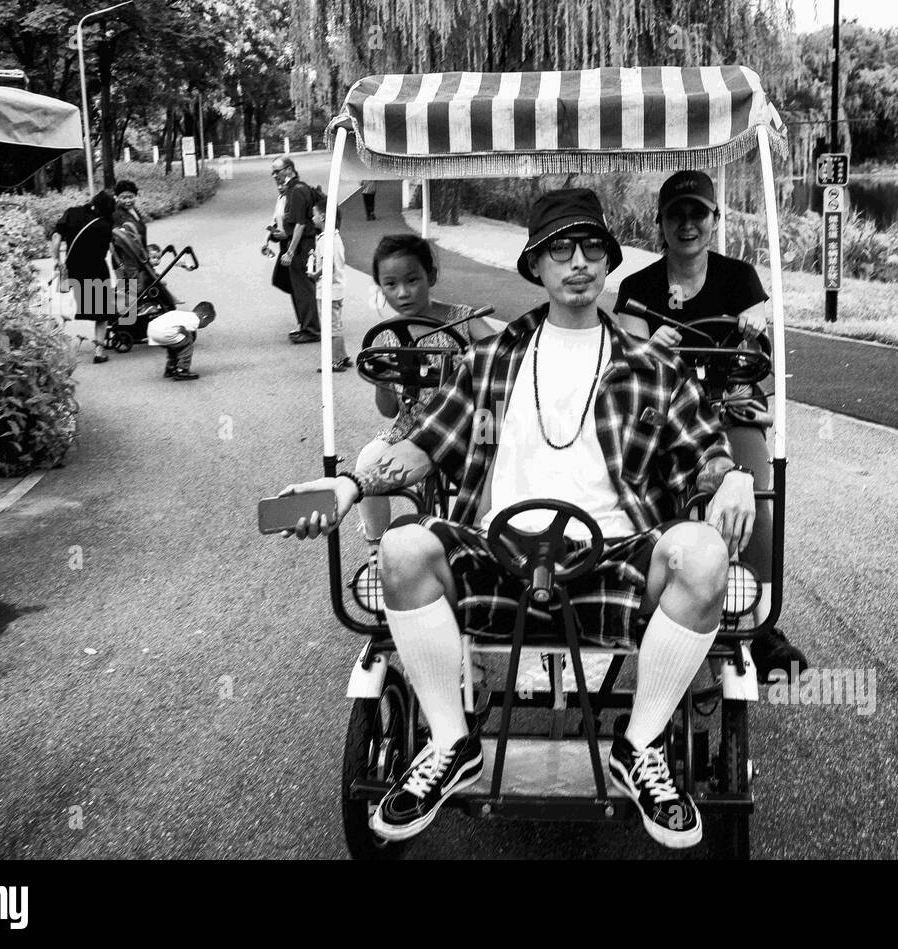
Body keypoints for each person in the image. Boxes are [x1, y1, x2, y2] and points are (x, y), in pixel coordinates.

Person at [281, 189, 755, 849]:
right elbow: (424, 443)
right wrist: (352, 484)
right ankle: (452, 741)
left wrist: (733, 476)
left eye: (593, 247)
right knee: (400, 547)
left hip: (613, 557)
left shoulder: (653, 364)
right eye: (561, 248)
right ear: (536, 263)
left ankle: (639, 742)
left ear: (610, 261)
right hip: (494, 556)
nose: (579, 262)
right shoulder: (492, 356)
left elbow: (704, 449)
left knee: (706, 553)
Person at [615, 169, 806, 682]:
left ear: (714, 218)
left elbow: (758, 342)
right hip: (671, 413)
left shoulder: (739, 278)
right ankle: (649, 598)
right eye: (676, 214)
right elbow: (631, 361)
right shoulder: (637, 288)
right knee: (644, 483)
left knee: (757, 488)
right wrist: (651, 350)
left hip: (731, 404)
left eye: (697, 213)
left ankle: (760, 623)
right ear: (660, 222)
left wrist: (752, 331)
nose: (687, 223)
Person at [353, 235, 484, 561]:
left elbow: (505, 356)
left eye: (412, 280)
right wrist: (383, 381)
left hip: (464, 429)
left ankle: (478, 548)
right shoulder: (385, 336)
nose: (403, 292)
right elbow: (387, 411)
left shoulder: (463, 318)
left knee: (496, 470)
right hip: (409, 430)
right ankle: (376, 549)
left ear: (431, 277)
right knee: (366, 462)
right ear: (380, 288)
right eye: (391, 284)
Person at [51, 191, 117, 364]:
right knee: (101, 313)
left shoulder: (72, 212)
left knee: (66, 307)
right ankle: (99, 351)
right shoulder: (106, 222)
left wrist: (57, 260)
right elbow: (110, 247)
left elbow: (57, 238)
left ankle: (61, 349)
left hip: (72, 267)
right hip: (96, 268)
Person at [270, 158, 321, 344]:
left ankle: (312, 330)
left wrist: (290, 252)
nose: (275, 176)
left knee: (303, 287)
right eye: (273, 173)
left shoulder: (298, 190)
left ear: (289, 169)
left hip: (301, 246)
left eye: (277, 171)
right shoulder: (290, 190)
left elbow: (300, 224)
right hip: (294, 243)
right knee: (293, 285)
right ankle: (305, 325)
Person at [308, 198, 352, 372]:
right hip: (337, 288)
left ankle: (335, 361)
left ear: (323, 217)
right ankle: (342, 355)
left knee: (330, 327)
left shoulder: (326, 239)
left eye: (314, 215)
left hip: (328, 290)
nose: (312, 218)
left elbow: (328, 265)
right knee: (336, 324)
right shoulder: (334, 236)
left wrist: (314, 274)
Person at [146, 301, 216, 381]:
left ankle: (171, 368)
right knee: (188, 344)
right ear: (205, 317)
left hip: (152, 331)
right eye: (208, 323)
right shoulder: (195, 320)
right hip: (164, 333)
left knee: (175, 346)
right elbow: (183, 330)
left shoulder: (183, 315)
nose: (206, 325)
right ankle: (182, 370)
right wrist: (188, 335)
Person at [112, 179, 148, 246]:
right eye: (124, 198)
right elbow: (118, 238)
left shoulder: (134, 210)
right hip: (127, 254)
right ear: (116, 198)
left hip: (140, 252)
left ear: (136, 197)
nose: (128, 201)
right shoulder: (115, 214)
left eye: (131, 197)